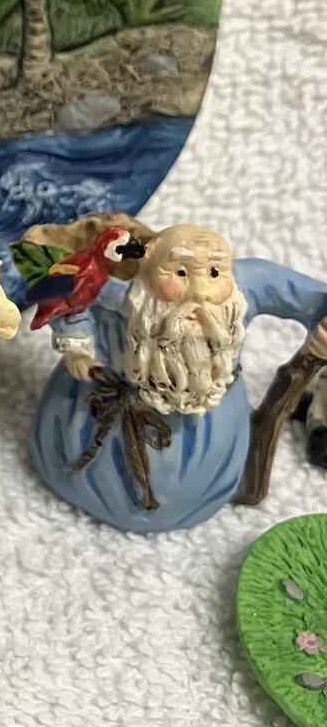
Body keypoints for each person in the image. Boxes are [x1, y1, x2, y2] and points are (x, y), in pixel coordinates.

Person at [31, 223, 327, 532]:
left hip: (210, 433)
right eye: (181, 273)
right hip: (97, 413)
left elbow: (314, 298)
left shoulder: (247, 287)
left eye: (214, 273)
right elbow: (69, 299)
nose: (199, 291)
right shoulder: (117, 294)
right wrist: (77, 349)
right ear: (148, 265)